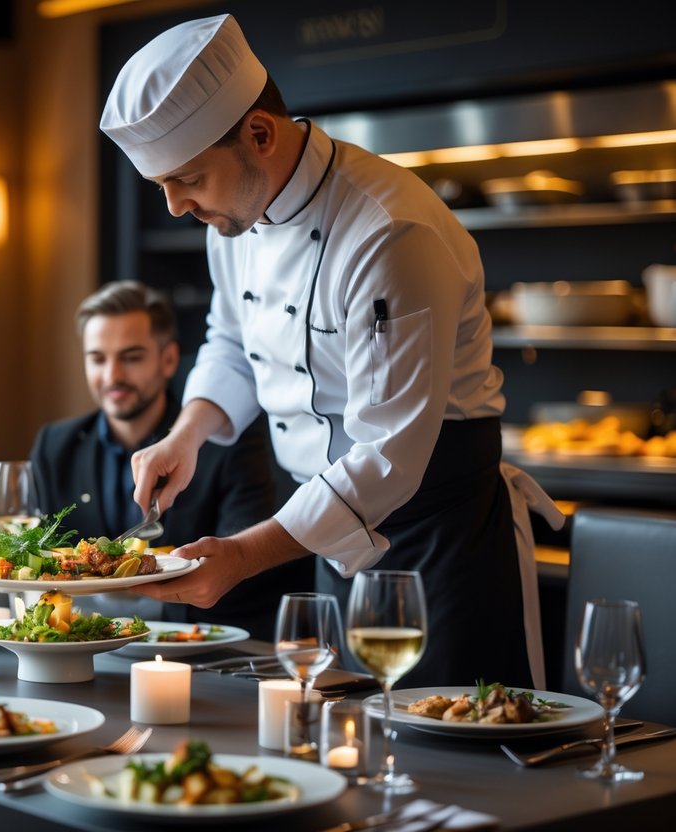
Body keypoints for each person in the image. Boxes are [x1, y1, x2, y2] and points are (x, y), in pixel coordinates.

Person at [101, 14, 563, 688]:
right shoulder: (232, 220)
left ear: (258, 134)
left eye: (187, 179)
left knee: (452, 757)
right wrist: (187, 434)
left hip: (435, 537)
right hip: (328, 535)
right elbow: (230, 341)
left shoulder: (387, 231)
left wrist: (238, 556)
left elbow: (386, 456)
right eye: (161, 185)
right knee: (351, 747)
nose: (174, 206)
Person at [28, 280, 311, 638]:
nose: (112, 375)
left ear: (168, 360)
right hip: (79, 641)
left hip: (192, 644)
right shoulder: (55, 444)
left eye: (131, 357)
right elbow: (38, 556)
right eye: (98, 358)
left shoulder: (225, 438)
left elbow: (244, 574)